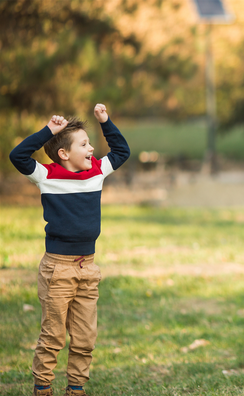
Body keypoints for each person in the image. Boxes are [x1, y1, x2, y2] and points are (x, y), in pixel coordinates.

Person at [10, 104, 130, 396]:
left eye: (90, 144)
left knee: (85, 337)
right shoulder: (45, 175)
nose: (92, 150)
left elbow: (122, 151)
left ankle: (76, 389)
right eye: (85, 144)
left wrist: (105, 121)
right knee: (53, 336)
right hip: (58, 268)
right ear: (64, 153)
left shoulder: (97, 171)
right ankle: (43, 388)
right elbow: (18, 155)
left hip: (88, 267)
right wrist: (49, 132)